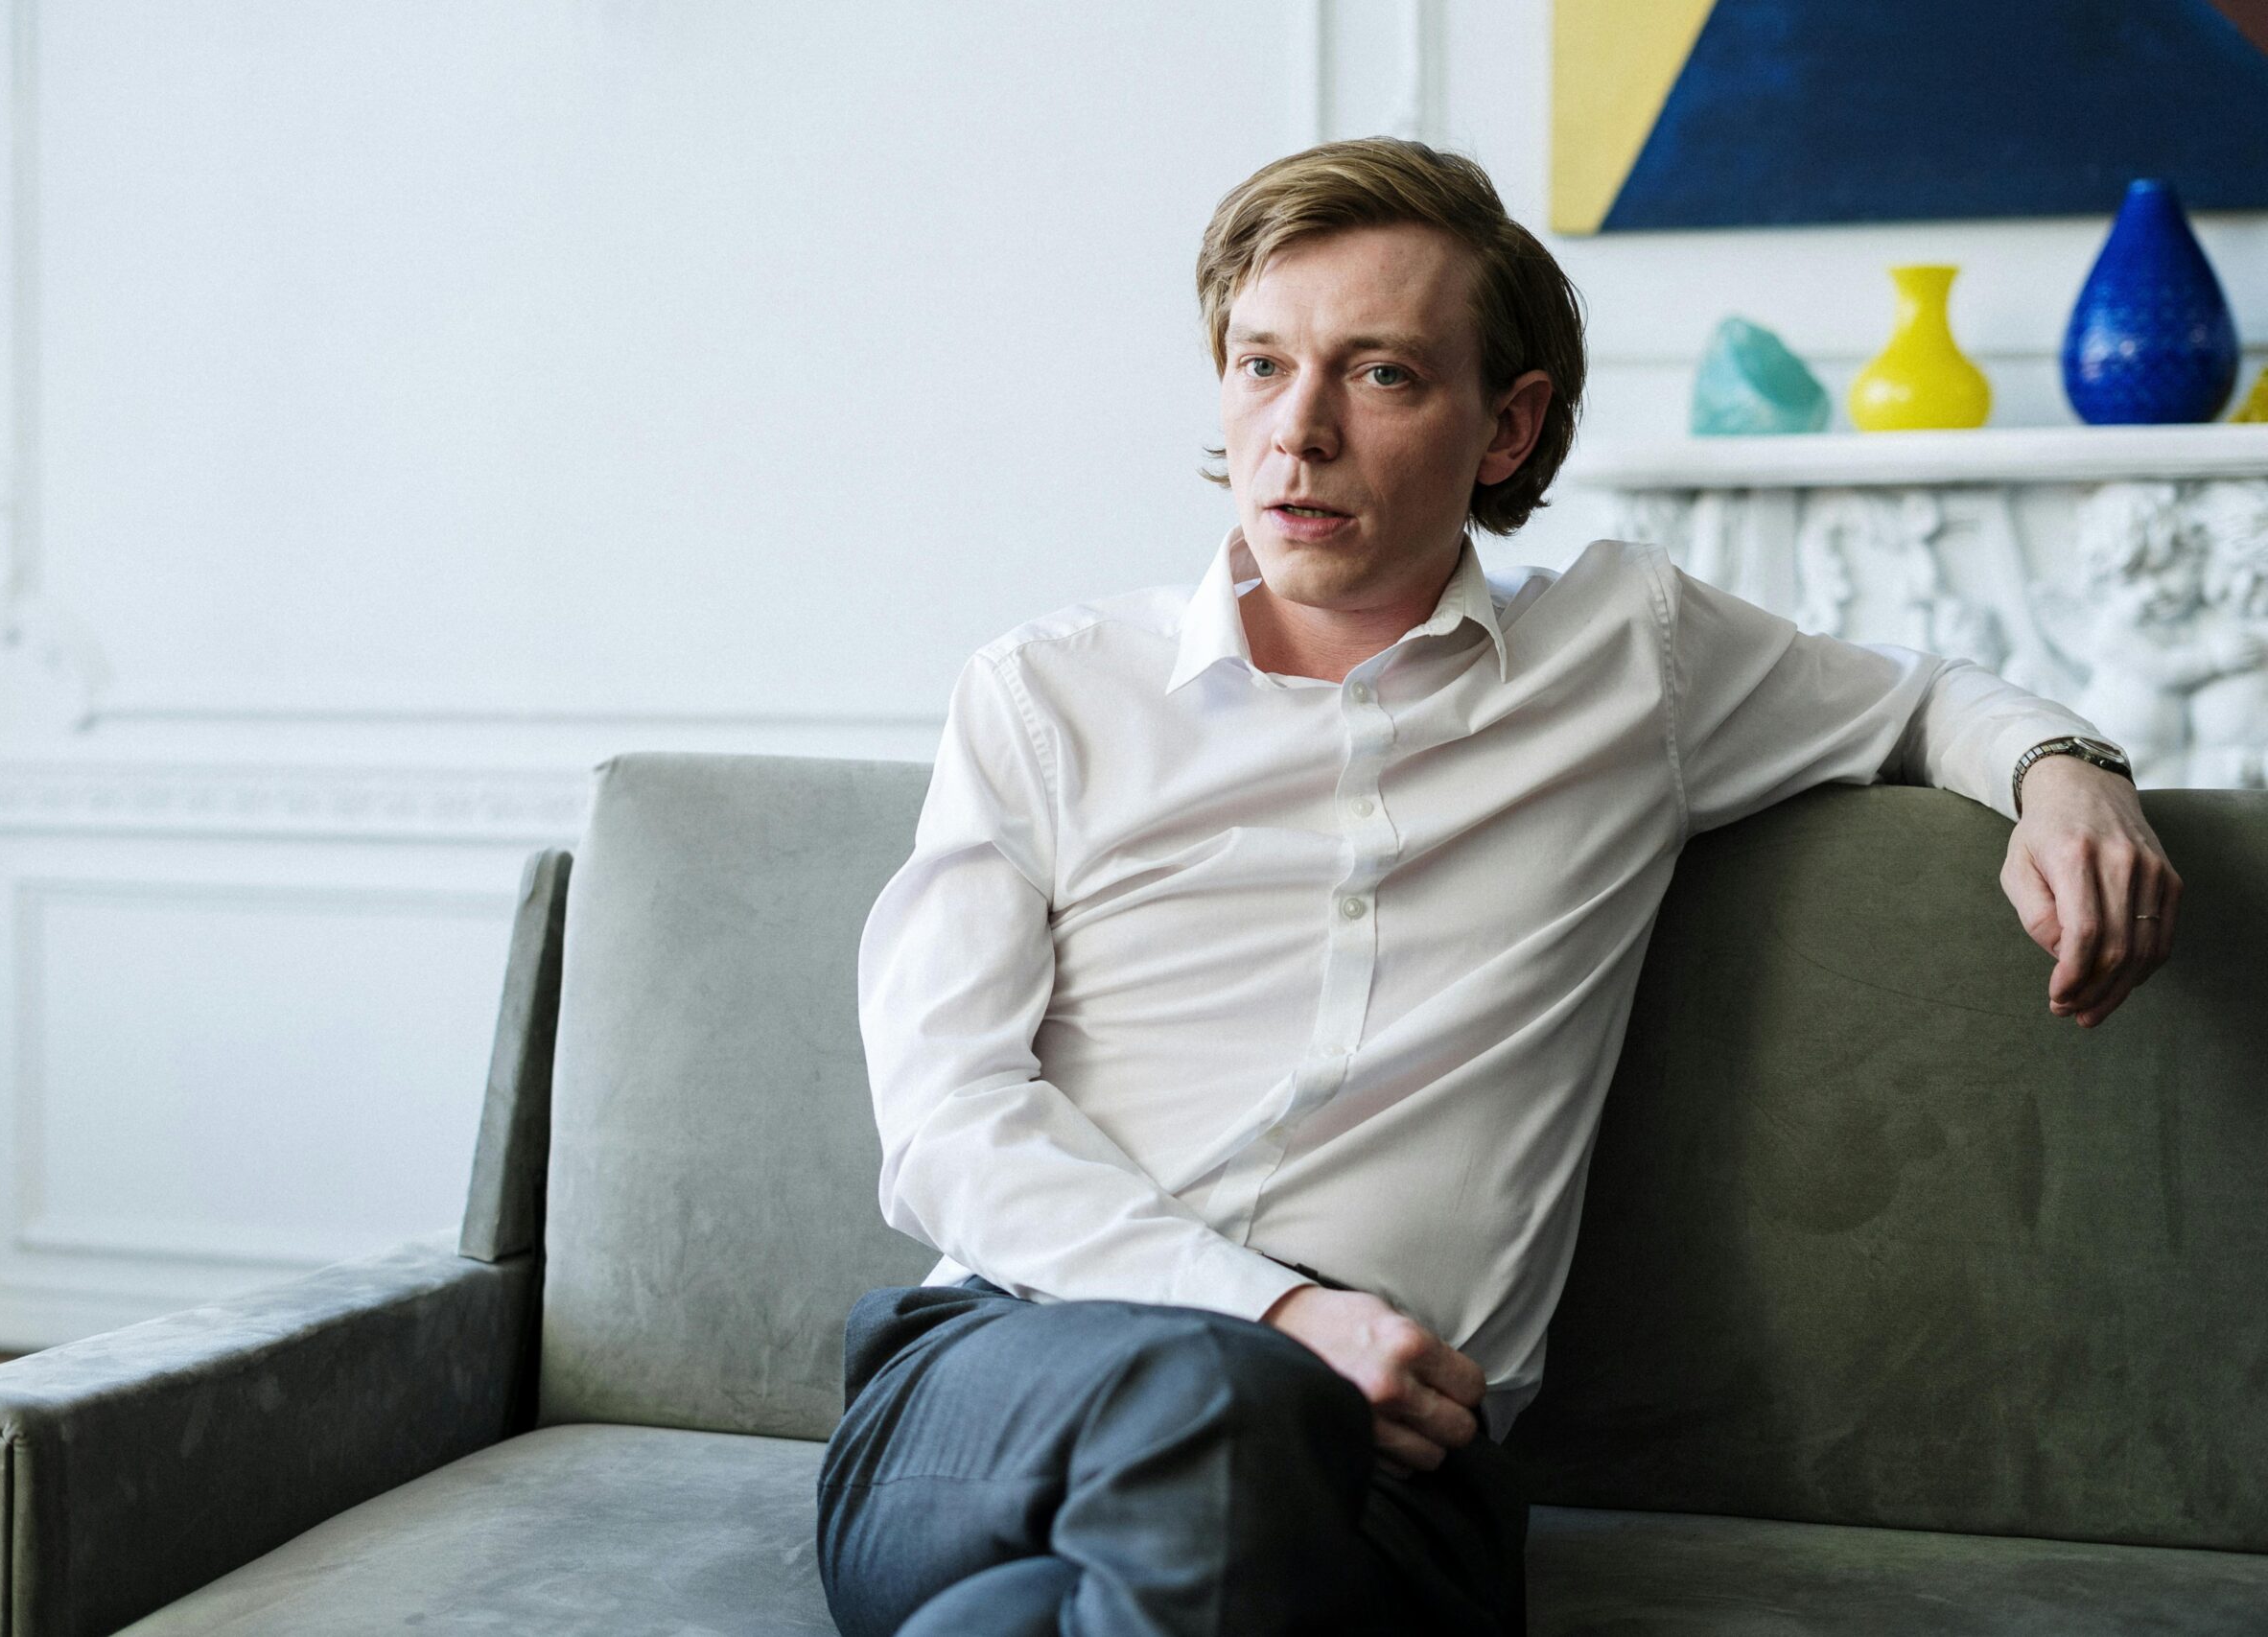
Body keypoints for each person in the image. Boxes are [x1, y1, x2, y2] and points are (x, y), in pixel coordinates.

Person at [815, 137, 2180, 1637]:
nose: (1299, 434)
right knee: (1212, 1397)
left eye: (1381, 375)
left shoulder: (1631, 657)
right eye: (1261, 366)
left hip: (1399, 1471)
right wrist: (1271, 1313)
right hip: (1002, 1382)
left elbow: (1928, 696)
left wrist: (2066, 772)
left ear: (1508, 426)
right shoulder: (1049, 695)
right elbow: (945, 1120)